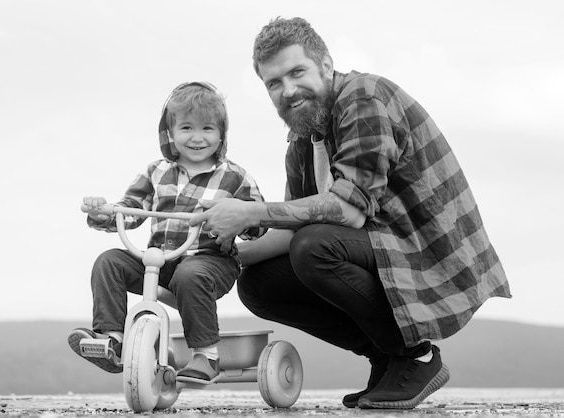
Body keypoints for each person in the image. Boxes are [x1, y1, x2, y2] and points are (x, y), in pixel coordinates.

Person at [190, 18, 511, 409]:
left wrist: (249, 212)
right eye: (274, 83)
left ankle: (416, 356)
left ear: (325, 65)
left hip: (426, 253)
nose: (288, 90)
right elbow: (294, 224)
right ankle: (387, 358)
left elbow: (347, 210)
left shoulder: (362, 97)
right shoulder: (302, 139)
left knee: (315, 246)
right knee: (258, 285)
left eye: (297, 72)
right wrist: (210, 261)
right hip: (376, 248)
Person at [68, 81, 265, 384]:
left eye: (207, 129)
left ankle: (206, 355)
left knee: (191, 273)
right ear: (170, 133)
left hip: (211, 261)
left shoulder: (236, 177)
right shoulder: (156, 172)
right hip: (159, 261)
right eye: (186, 128)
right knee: (109, 262)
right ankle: (112, 338)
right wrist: (103, 212)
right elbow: (130, 211)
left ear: (221, 133)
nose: (197, 138)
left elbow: (258, 226)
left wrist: (241, 214)